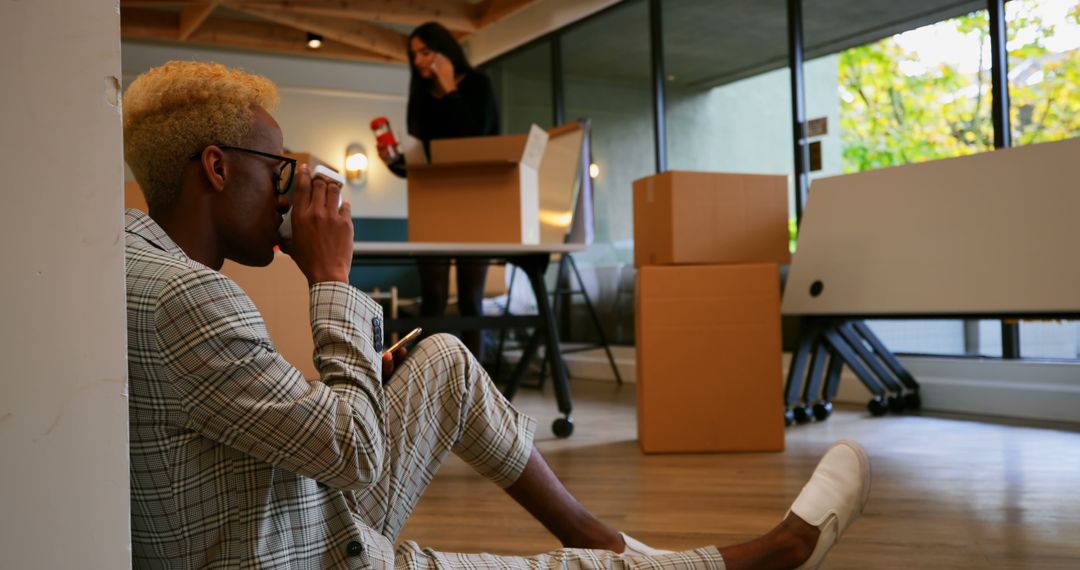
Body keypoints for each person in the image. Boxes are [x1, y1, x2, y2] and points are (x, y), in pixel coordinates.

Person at [123, 59, 871, 570]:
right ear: (217, 169)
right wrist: (332, 278)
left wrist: (353, 376)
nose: (288, 190)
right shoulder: (193, 298)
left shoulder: (135, 257)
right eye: (277, 168)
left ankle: (599, 537)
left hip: (271, 510)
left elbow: (227, 415)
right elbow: (351, 452)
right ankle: (766, 557)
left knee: (442, 359)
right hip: (300, 553)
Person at [380, 21, 500, 362]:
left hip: (477, 202)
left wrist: (449, 87)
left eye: (425, 52)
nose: (418, 61)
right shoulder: (420, 96)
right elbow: (423, 163)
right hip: (432, 202)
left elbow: (477, 138)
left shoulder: (478, 84)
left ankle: (476, 382)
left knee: (470, 299)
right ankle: (424, 377)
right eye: (413, 54)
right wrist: (393, 162)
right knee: (431, 295)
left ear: (445, 50)